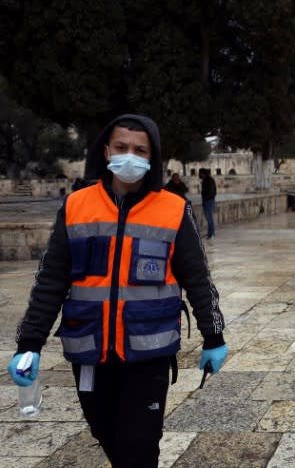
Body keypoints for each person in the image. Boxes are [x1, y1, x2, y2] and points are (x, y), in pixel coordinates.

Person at [6, 114, 227, 468]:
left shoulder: (173, 210)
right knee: (105, 434)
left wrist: (213, 335)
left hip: (148, 353)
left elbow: (198, 278)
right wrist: (28, 344)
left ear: (152, 157)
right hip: (90, 352)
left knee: (138, 446)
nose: (130, 156)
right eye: (122, 147)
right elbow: (51, 279)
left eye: (140, 150)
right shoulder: (77, 206)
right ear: (106, 150)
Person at [199, 168, 217, 239]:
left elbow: (212, 191)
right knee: (208, 218)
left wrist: (208, 198)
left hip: (208, 201)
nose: (199, 175)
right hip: (208, 200)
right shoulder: (207, 180)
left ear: (203, 173)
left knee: (209, 218)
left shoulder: (208, 180)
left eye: (200, 173)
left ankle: (212, 234)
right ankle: (210, 233)